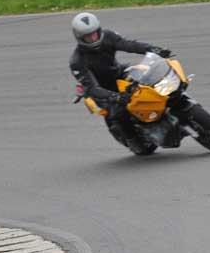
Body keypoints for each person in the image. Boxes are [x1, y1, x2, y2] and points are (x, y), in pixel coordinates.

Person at [69, 12, 172, 150]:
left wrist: (152, 49)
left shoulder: (108, 36)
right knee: (119, 112)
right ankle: (133, 140)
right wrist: (115, 97)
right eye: (88, 37)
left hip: (118, 73)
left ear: (99, 30)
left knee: (148, 77)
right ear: (79, 37)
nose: (93, 38)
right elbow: (93, 88)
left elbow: (129, 45)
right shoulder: (77, 61)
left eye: (95, 33)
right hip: (102, 90)